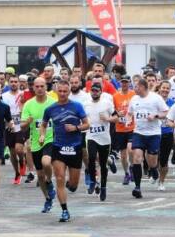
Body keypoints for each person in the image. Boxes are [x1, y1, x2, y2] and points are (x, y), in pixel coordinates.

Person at [38, 81, 89, 222]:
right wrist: (42, 135)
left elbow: (87, 124)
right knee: (59, 178)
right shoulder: (50, 109)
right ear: (56, 91)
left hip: (75, 148)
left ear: (69, 92)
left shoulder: (77, 106)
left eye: (65, 91)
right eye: (60, 91)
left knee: (73, 186)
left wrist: (76, 128)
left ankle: (70, 185)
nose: (62, 94)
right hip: (58, 147)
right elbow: (43, 125)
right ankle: (64, 210)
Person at [20, 77, 57, 213]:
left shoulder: (53, 103)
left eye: (42, 86)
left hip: (49, 139)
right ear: (33, 88)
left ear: (46, 87)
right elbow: (22, 126)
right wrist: (28, 121)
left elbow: (59, 120)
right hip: (36, 142)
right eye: (37, 86)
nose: (40, 89)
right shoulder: (29, 104)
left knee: (46, 162)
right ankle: (47, 198)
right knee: (39, 175)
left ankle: (49, 181)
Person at [128, 77, 169, 199]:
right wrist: (128, 119)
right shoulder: (134, 99)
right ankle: (137, 187)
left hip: (153, 134)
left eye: (136, 86)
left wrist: (156, 115)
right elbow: (129, 112)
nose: (134, 89)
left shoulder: (155, 98)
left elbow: (166, 112)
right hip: (139, 133)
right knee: (137, 158)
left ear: (142, 87)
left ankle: (153, 169)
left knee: (152, 161)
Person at [83, 80, 117, 201]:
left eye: (97, 91)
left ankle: (103, 187)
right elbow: (81, 118)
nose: (94, 92)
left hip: (104, 138)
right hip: (91, 136)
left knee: (103, 164)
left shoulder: (106, 103)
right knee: (91, 158)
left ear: (101, 92)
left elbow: (116, 117)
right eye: (93, 90)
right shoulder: (86, 103)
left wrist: (108, 119)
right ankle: (92, 180)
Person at [0, 76, 27, 184]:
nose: (14, 83)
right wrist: (6, 122)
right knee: (12, 152)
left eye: (16, 81)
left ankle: (22, 161)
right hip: (9, 126)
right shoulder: (4, 96)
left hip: (20, 125)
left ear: (19, 82)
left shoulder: (23, 94)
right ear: (8, 83)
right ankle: (17, 173)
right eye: (11, 82)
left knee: (19, 149)